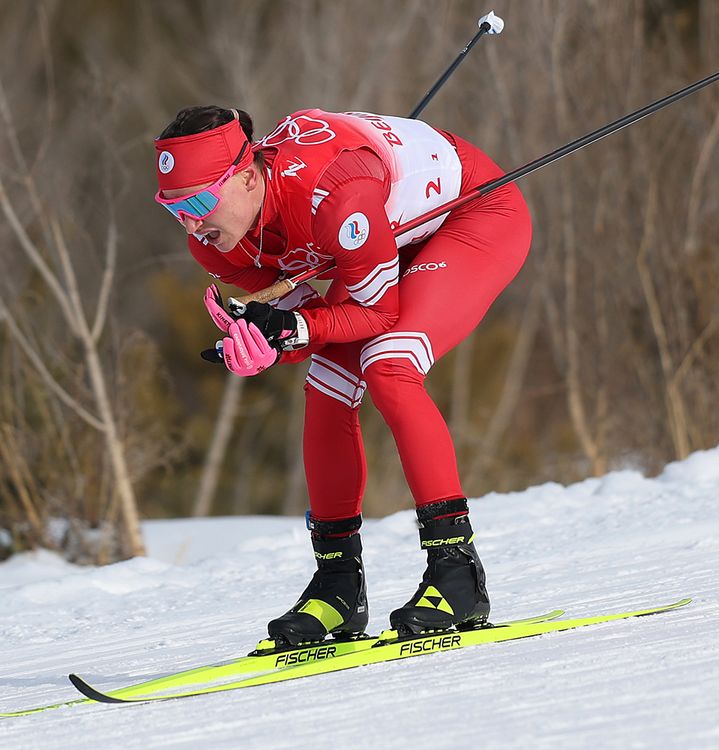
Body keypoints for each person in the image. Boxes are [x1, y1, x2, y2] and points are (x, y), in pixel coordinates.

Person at [153, 106, 532, 645]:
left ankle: (457, 573)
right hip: (379, 240)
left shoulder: (332, 193)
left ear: (247, 175)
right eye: (172, 209)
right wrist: (267, 344)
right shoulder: (216, 240)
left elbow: (374, 315)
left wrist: (293, 328)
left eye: (196, 202)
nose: (189, 224)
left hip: (470, 216)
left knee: (390, 366)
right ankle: (338, 585)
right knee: (327, 387)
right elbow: (307, 326)